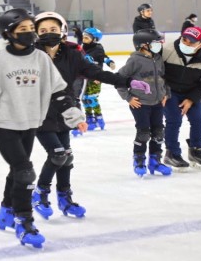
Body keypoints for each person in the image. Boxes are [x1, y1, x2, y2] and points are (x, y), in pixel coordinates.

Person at [0, 8, 84, 249]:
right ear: (9, 34)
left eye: (31, 29)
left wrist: (74, 116)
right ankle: (24, 221)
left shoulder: (41, 59)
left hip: (31, 122)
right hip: (4, 122)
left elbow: (59, 92)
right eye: (23, 30)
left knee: (17, 171)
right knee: (25, 171)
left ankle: (5, 211)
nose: (29, 34)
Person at [30, 11, 150, 219]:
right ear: (36, 33)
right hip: (39, 114)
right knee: (58, 154)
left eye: (53, 29)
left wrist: (127, 81)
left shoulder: (72, 54)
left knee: (66, 158)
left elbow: (97, 73)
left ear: (62, 31)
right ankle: (40, 192)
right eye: (43, 30)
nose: (48, 33)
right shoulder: (30, 56)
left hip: (66, 112)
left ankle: (64, 197)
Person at [161, 27, 201, 170]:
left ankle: (196, 150)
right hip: (169, 92)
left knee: (198, 119)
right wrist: (162, 91)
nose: (186, 44)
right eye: (184, 40)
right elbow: (156, 72)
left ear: (200, 44)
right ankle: (172, 153)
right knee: (174, 119)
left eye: (191, 42)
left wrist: (192, 98)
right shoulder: (167, 50)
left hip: (191, 93)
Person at [117, 29, 172, 177]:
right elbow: (119, 79)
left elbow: (163, 77)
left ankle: (155, 161)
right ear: (143, 45)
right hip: (140, 103)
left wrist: (166, 93)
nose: (159, 45)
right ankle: (139, 160)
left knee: (159, 132)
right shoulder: (135, 60)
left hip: (157, 102)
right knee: (143, 133)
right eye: (155, 43)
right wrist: (128, 97)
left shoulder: (158, 58)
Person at [81, 27, 117, 130]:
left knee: (92, 98)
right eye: (83, 37)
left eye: (87, 38)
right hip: (85, 77)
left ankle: (99, 119)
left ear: (95, 39)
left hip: (96, 78)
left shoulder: (98, 49)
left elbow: (104, 57)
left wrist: (110, 62)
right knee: (84, 99)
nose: (84, 39)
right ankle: (89, 119)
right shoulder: (82, 47)